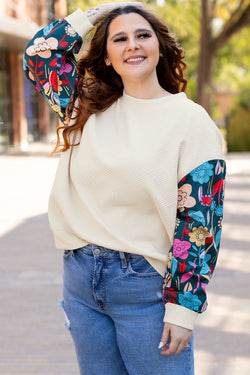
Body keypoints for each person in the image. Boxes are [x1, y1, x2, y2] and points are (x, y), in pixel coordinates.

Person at [23, 2, 226, 374]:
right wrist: (102, 11)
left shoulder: (191, 122)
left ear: (159, 46)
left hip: (146, 289)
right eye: (120, 38)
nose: (132, 44)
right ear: (107, 56)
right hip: (81, 280)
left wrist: (184, 308)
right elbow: (41, 52)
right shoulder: (84, 106)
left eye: (142, 35)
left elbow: (199, 226)